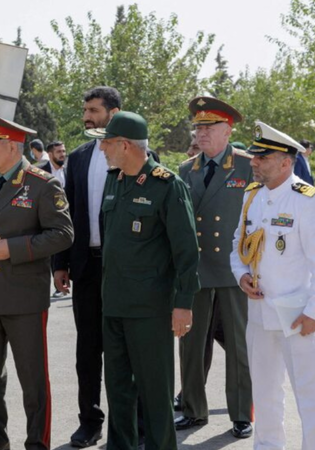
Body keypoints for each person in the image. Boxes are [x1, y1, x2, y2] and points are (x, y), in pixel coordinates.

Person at [0, 109, 74, 450]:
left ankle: (37, 442)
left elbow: (63, 234)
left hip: (24, 298)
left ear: (12, 147)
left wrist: (14, 248)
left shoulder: (41, 184)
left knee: (33, 380)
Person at [96, 111, 199, 450]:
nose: (102, 150)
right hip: (114, 304)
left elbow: (186, 251)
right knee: (118, 390)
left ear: (125, 145)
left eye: (107, 143)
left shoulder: (167, 185)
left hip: (150, 308)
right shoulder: (115, 180)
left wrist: (183, 304)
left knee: (155, 393)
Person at [230, 121, 315, 450]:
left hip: (298, 313)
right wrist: (241, 275)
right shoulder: (253, 196)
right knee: (265, 391)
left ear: (286, 162)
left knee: (310, 394)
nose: (254, 162)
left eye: (263, 157)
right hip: (259, 312)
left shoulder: (310, 201)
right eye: (254, 157)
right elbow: (237, 247)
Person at [176, 97, 254, 439]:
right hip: (197, 268)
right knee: (191, 344)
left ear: (227, 131)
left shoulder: (249, 166)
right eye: (198, 128)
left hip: (236, 268)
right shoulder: (185, 169)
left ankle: (241, 413)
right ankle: (193, 409)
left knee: (239, 344)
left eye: (209, 128)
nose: (201, 134)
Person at [52, 86, 121, 448]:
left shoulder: (135, 155)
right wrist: (60, 263)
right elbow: (67, 215)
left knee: (123, 348)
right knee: (88, 349)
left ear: (114, 112)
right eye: (85, 110)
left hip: (123, 271)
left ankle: (129, 422)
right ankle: (89, 421)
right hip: (86, 267)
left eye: (93, 110)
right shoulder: (77, 159)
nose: (86, 117)